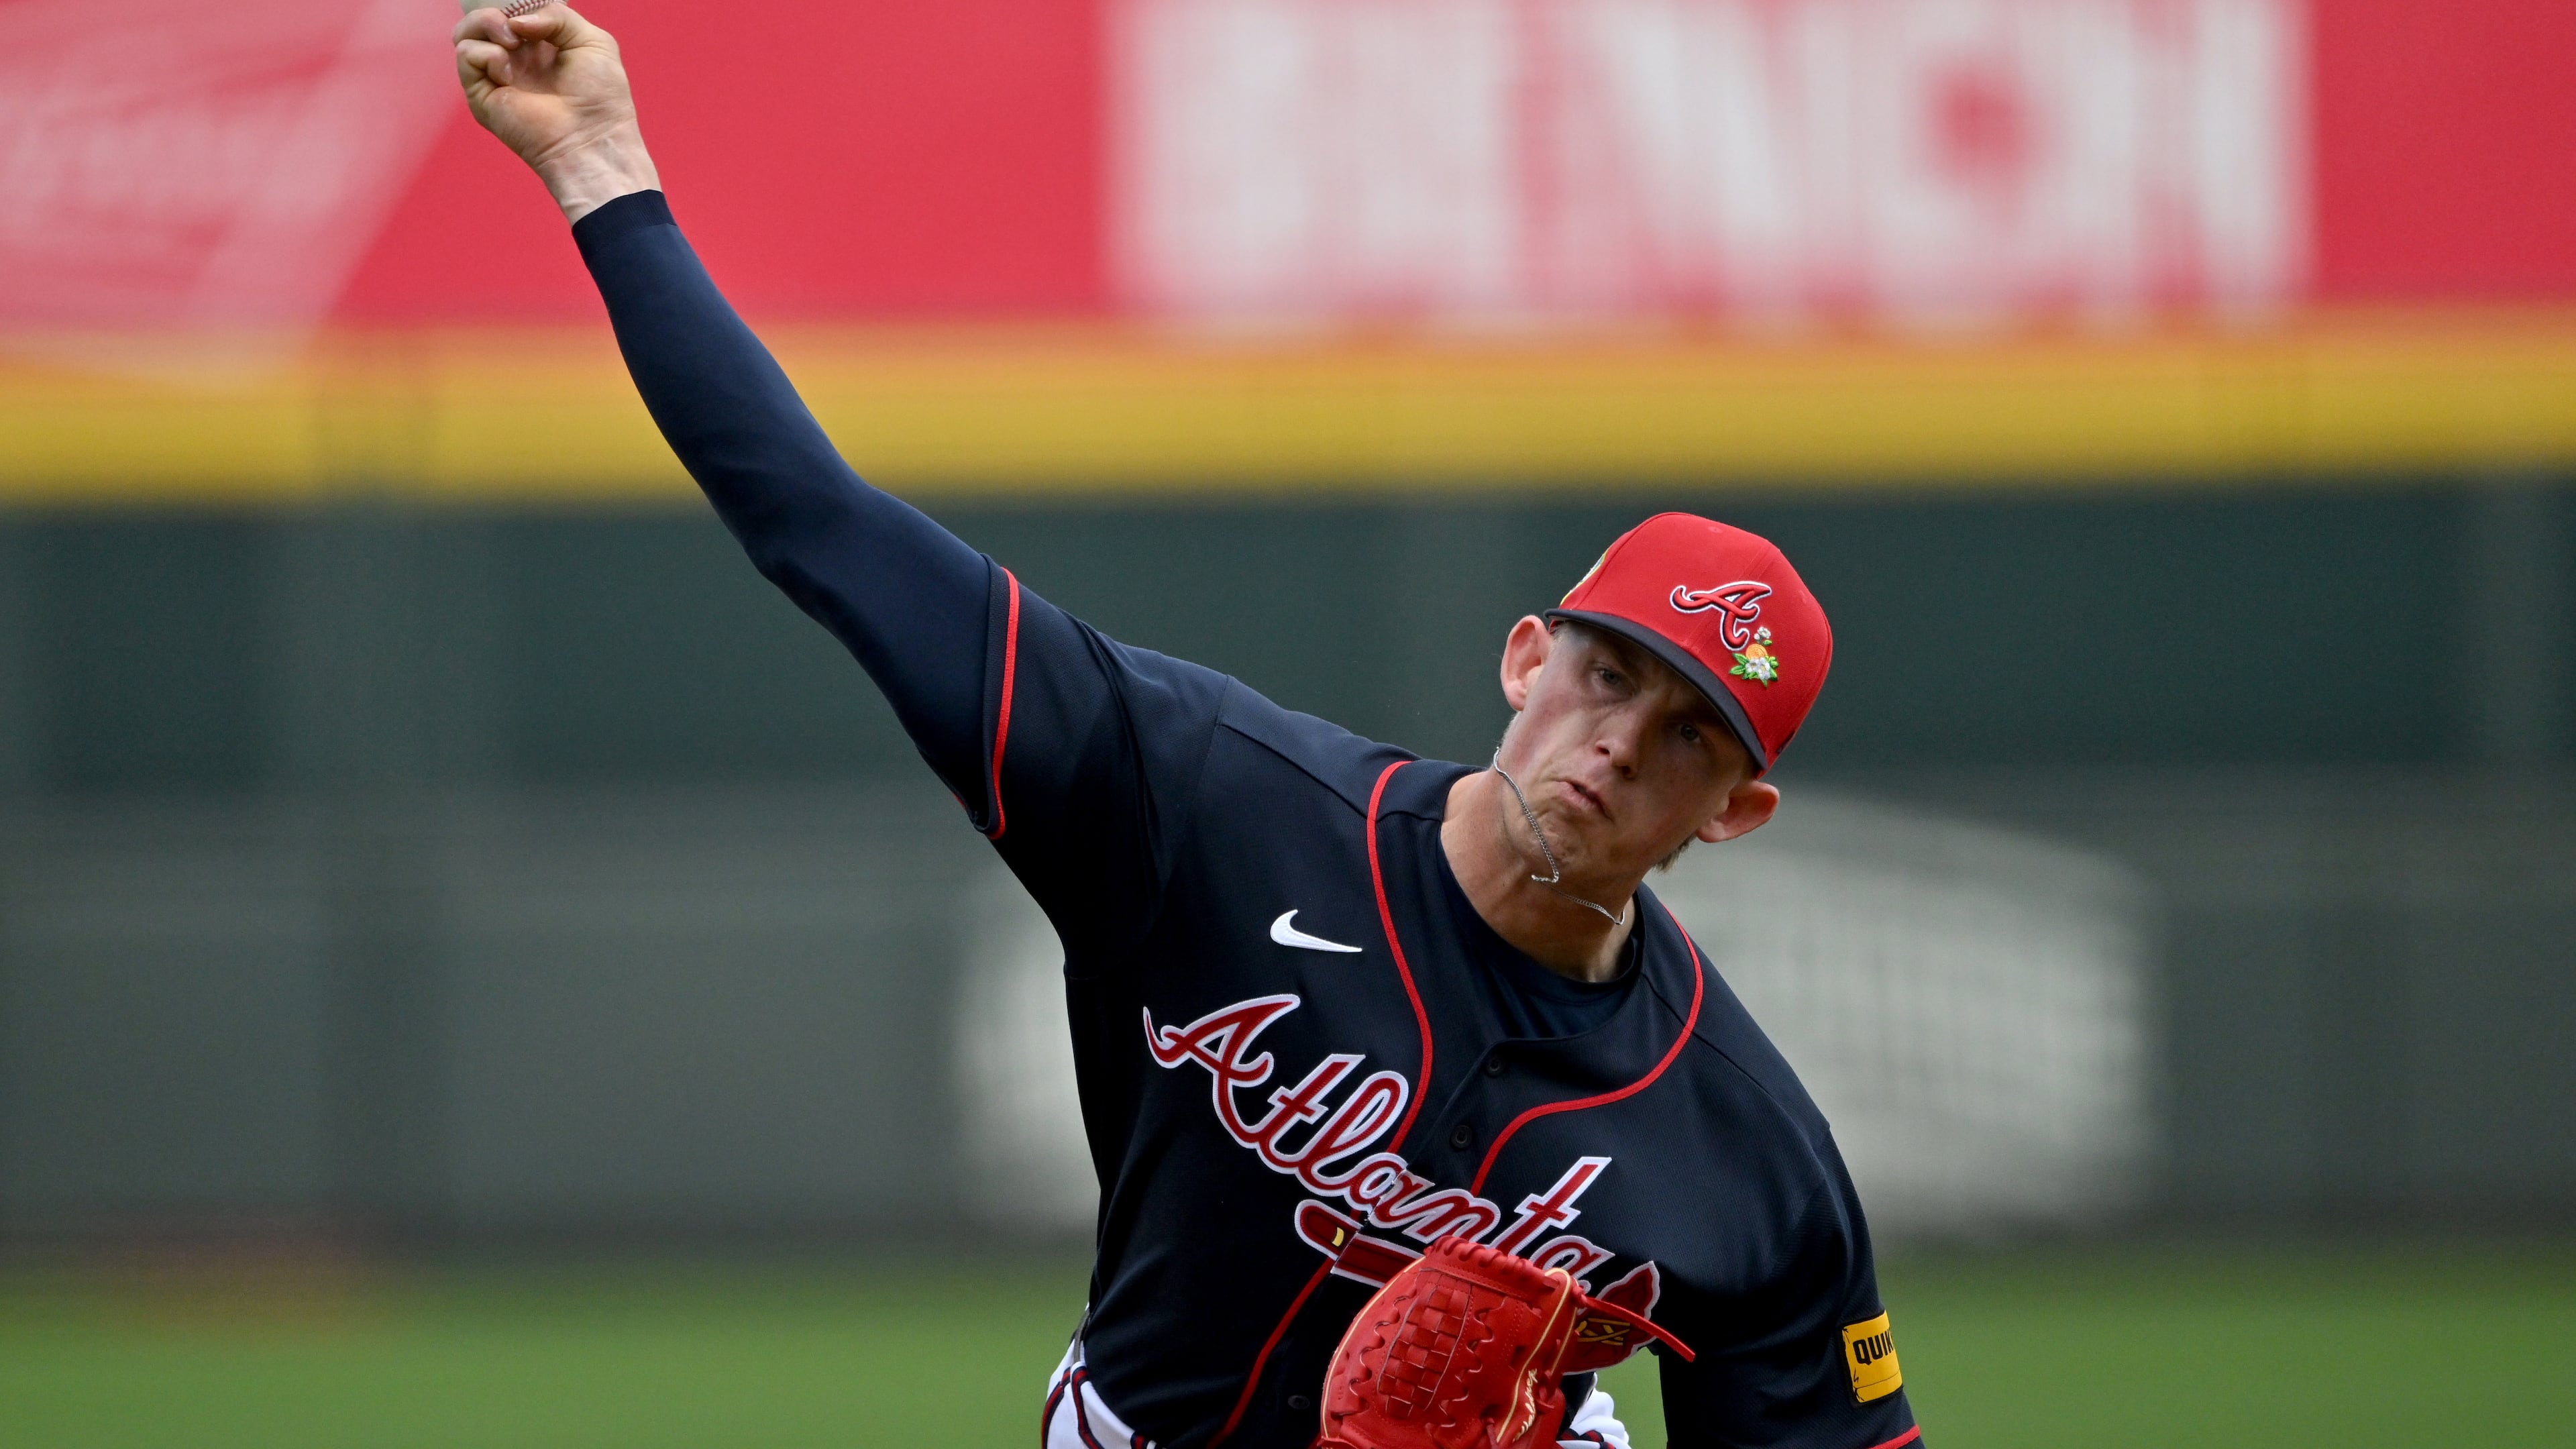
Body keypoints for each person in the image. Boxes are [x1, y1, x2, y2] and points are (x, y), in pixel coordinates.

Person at [451, 7, 1922, 1447]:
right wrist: (599, 168)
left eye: (1687, 739)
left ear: (1735, 811)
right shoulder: (1207, 799)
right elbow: (818, 522)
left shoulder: (1749, 1155)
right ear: (1527, 657)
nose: (1615, 743)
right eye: (1609, 678)